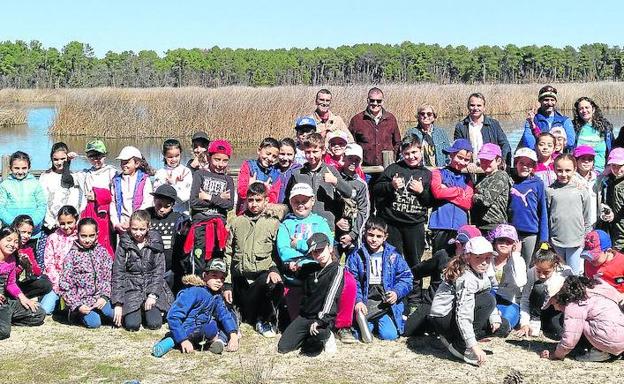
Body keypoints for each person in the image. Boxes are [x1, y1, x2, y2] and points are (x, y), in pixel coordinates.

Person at [429, 236, 510, 366]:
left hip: (458, 313)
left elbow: (486, 294)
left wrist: (494, 317)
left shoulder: (481, 272)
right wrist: (474, 346)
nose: (484, 262)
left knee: (503, 326)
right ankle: (460, 345)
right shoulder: (466, 278)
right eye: (478, 257)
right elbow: (463, 314)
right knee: (487, 300)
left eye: (487, 258)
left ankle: (456, 338)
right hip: (443, 318)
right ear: (467, 257)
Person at [373, 136, 432, 306]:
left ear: (420, 151)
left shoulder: (426, 174)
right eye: (407, 153)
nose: (411, 156)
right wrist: (390, 185)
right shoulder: (393, 169)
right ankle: (395, 297)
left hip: (415, 224)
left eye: (414, 152)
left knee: (415, 262)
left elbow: (431, 201)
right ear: (401, 154)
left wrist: (422, 192)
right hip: (392, 224)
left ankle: (414, 299)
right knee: (392, 260)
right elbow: (377, 190)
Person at [223, 182, 284, 338]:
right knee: (233, 305)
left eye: (258, 200)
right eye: (250, 200)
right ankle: (235, 316)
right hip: (240, 277)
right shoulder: (237, 222)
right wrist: (227, 283)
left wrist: (274, 269)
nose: (254, 204)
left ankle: (264, 319)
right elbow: (228, 253)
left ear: (266, 200)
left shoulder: (274, 223)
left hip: (260, 277)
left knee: (274, 283)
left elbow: (278, 252)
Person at [152, 258, 239, 357]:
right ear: (205, 276)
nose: (218, 281)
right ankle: (172, 340)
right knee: (210, 328)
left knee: (229, 315)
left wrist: (233, 335)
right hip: (188, 330)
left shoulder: (217, 296)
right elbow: (173, 316)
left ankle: (220, 341)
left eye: (222, 278)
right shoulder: (193, 292)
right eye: (214, 276)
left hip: (202, 330)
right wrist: (183, 340)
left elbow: (224, 314)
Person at [403, 225, 480, 337]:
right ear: (457, 244)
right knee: (407, 331)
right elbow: (415, 272)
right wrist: (414, 297)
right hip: (433, 303)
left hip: (459, 306)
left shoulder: (477, 262)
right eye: (461, 245)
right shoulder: (443, 255)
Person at [277, 233, 344, 356]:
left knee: (310, 351)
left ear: (329, 248)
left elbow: (331, 297)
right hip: (305, 316)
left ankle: (327, 335)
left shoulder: (337, 270)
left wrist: (321, 320)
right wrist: (289, 266)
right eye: (315, 252)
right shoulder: (310, 268)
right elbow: (292, 271)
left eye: (321, 250)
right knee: (283, 347)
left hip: (322, 318)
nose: (319, 255)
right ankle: (307, 336)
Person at [346, 217, 413, 341]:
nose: (374, 239)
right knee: (359, 335)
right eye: (371, 235)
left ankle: (382, 318)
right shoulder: (356, 256)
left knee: (389, 336)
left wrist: (396, 293)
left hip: (384, 303)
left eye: (378, 236)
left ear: (385, 237)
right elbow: (352, 281)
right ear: (365, 234)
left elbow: (407, 278)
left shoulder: (394, 256)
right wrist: (358, 301)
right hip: (366, 301)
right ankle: (367, 320)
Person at [277, 182, 332, 321]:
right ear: (290, 202)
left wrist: (299, 245)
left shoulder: (320, 222)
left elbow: (325, 244)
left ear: (312, 201)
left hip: (317, 268)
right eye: (296, 202)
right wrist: (303, 258)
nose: (301, 205)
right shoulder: (285, 225)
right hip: (295, 270)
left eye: (304, 201)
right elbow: (283, 249)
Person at [111, 210, 173, 331]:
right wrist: (118, 303)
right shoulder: (124, 243)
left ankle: (148, 310)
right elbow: (118, 272)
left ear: (148, 227)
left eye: (142, 229)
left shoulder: (155, 242)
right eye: (134, 229)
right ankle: (137, 310)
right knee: (132, 325)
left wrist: (153, 295)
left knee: (154, 324)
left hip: (151, 286)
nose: (138, 233)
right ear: (129, 227)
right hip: (132, 288)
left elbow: (159, 271)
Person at [540, 276, 624, 362]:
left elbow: (570, 339)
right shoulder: (597, 290)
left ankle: (600, 351)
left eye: (553, 303)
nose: (555, 308)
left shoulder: (575, 305)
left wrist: (557, 354)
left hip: (608, 340)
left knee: (575, 325)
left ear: (559, 297)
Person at [283, 133, 353, 233]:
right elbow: (288, 200)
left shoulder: (330, 170)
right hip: (303, 225)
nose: (311, 156)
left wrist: (335, 181)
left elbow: (349, 192)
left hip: (326, 225)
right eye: (308, 152)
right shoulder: (297, 174)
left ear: (323, 150)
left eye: (315, 151)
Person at [187, 139, 234, 274]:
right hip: (200, 227)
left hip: (219, 228)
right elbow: (194, 202)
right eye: (217, 159)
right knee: (199, 262)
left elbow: (229, 205)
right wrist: (220, 199)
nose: (220, 164)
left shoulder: (228, 180)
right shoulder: (199, 174)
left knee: (217, 263)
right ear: (208, 157)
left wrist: (208, 197)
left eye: (224, 161)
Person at [58, 218, 113, 328]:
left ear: (97, 235)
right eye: (83, 236)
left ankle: (101, 312)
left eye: (91, 236)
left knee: (112, 314)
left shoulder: (102, 252)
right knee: (95, 323)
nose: (87, 240)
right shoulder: (72, 256)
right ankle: (76, 314)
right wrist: (77, 305)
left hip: (99, 298)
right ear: (77, 234)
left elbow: (109, 276)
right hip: (82, 301)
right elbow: (65, 285)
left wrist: (104, 296)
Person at [69, 139, 117, 256]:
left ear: (104, 155)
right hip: (88, 212)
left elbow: (115, 196)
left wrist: (97, 195)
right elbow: (66, 180)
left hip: (105, 214)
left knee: (105, 243)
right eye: (92, 156)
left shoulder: (112, 172)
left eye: (99, 156)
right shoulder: (85, 174)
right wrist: (68, 161)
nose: (96, 159)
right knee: (86, 242)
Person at [547, 154, 592, 275]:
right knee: (558, 274)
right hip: (556, 240)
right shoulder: (550, 191)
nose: (563, 174)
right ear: (554, 169)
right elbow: (546, 216)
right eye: (559, 170)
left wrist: (586, 237)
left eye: (567, 170)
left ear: (574, 169)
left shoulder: (581, 190)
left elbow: (587, 216)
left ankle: (576, 294)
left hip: (576, 240)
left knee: (574, 274)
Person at [515, 247, 573, 340]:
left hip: (557, 308)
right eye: (538, 271)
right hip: (538, 307)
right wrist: (524, 323)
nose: (541, 275)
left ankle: (546, 324)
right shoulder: (531, 273)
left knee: (558, 333)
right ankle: (535, 320)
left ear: (555, 265)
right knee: (539, 287)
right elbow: (525, 298)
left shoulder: (565, 272)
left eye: (546, 272)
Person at [429, 139, 474, 254]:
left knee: (458, 259)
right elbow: (437, 192)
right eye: (460, 157)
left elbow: (468, 203)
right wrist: (458, 191)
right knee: (439, 258)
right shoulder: (438, 173)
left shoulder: (467, 179)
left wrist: (448, 191)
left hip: (460, 225)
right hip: (440, 223)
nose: (462, 162)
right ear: (452, 154)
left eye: (466, 160)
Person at [0, 226, 45, 340]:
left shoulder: (12, 259)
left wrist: (24, 299)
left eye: (16, 242)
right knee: (4, 332)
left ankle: (6, 319)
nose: (12, 244)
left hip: (4, 303)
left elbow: (11, 283)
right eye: (8, 240)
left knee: (38, 313)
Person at [509, 148, 548, 266]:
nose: (525, 167)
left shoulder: (538, 184)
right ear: (516, 164)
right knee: (512, 263)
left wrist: (544, 239)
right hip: (512, 232)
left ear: (534, 167)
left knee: (528, 265)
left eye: (529, 164)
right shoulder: (511, 181)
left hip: (531, 232)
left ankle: (528, 285)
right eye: (521, 163)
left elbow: (543, 211)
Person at [146, 185, 189, 291]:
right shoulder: (146, 215)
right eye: (159, 204)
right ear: (154, 200)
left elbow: (183, 251)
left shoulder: (179, 219)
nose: (162, 209)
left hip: (170, 270)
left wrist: (183, 235)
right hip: (148, 269)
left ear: (173, 205)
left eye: (167, 206)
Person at [348, 87, 401, 168]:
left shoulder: (391, 118)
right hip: (364, 168)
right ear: (367, 101)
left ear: (382, 102)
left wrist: (393, 159)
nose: (375, 103)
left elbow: (397, 142)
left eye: (379, 101)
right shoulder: (357, 120)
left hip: (386, 168)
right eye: (372, 100)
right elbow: (351, 144)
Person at [454, 93, 511, 167]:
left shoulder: (494, 124)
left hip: (490, 167)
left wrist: (502, 161)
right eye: (472, 105)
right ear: (468, 107)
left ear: (484, 108)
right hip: (469, 168)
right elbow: (458, 149)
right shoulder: (461, 126)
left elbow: (505, 145)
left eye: (479, 105)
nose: (475, 108)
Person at [41, 205, 79, 315]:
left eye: (70, 222)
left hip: (75, 282)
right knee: (45, 310)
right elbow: (49, 263)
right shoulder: (52, 238)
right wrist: (58, 284)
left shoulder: (80, 237)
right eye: (62, 223)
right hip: (56, 282)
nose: (66, 227)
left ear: (76, 220)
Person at [488, 224, 527, 329]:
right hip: (490, 300)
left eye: (509, 241)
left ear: (514, 244)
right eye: (501, 240)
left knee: (504, 326)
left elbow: (521, 282)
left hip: (510, 303)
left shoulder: (518, 261)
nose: (504, 244)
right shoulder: (487, 260)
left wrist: (516, 255)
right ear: (494, 242)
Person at [110, 146, 154, 235]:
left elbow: (147, 202)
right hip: (122, 225)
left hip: (139, 226)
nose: (123, 165)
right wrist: (116, 223)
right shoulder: (116, 181)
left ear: (137, 164)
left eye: (127, 163)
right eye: (122, 163)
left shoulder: (144, 179)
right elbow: (113, 203)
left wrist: (132, 221)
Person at [38, 142, 80, 236]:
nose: (59, 162)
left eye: (63, 159)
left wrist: (69, 221)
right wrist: (50, 221)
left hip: (68, 225)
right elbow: (43, 200)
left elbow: (74, 201)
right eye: (56, 159)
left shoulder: (74, 177)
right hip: (50, 225)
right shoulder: (45, 177)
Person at [334, 143, 369, 256]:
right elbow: (327, 204)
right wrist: (336, 220)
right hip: (334, 229)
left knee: (353, 267)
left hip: (353, 232)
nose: (353, 162)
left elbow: (364, 211)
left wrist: (353, 234)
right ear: (344, 157)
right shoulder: (334, 179)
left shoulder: (361, 184)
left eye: (357, 159)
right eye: (350, 158)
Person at [519, 85, 575, 152]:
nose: (549, 103)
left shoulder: (565, 120)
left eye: (552, 100)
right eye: (546, 100)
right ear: (540, 101)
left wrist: (553, 149)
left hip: (559, 157)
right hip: (539, 156)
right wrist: (545, 151)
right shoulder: (532, 120)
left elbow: (570, 142)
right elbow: (529, 142)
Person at [0, 151, 46, 233]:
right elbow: (1, 207)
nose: (20, 172)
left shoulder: (35, 184)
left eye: (24, 168)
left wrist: (32, 223)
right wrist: (14, 223)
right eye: (16, 168)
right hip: (12, 231)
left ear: (29, 167)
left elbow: (42, 206)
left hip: (32, 232)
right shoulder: (5, 185)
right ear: (10, 167)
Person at [471, 143, 512, 233]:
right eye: (482, 160)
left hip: (495, 225)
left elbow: (486, 200)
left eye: (488, 160)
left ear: (498, 161)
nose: (485, 163)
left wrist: (471, 196)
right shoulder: (483, 178)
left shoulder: (501, 175)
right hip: (481, 225)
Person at [11, 215, 52, 301]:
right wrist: (18, 264)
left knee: (46, 283)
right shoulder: (8, 246)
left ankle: (20, 298)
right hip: (7, 283)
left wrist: (29, 265)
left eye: (29, 233)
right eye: (23, 232)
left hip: (16, 283)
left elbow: (37, 272)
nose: (26, 236)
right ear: (15, 229)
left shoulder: (27, 249)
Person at [236, 137, 280, 215]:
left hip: (264, 214)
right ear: (259, 150)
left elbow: (273, 200)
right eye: (268, 154)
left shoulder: (275, 174)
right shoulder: (248, 166)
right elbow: (241, 193)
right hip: (244, 212)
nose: (270, 158)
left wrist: (265, 189)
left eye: (274, 156)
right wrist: (250, 186)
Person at [573, 96, 613, 173]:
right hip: (578, 172)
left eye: (587, 107)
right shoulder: (573, 127)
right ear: (578, 111)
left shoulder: (605, 127)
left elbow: (612, 149)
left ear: (593, 109)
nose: (584, 110)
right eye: (581, 108)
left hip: (601, 171)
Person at [153, 138, 193, 215]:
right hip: (164, 215)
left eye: (177, 156)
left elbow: (184, 198)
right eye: (170, 157)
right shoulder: (160, 173)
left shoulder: (186, 171)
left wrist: (173, 185)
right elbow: (156, 197)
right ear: (164, 155)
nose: (174, 159)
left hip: (181, 215)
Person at [573, 145, 600, 227]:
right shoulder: (571, 178)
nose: (586, 162)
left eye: (590, 159)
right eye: (583, 159)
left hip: (594, 222)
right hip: (577, 223)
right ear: (576, 161)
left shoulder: (597, 178)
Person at [270, 137, 302, 204]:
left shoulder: (299, 171)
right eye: (282, 154)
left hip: (292, 208)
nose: (285, 158)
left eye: (289, 154)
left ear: (294, 154)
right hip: (273, 207)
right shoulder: (271, 170)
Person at [603, 148, 624, 250]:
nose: (617, 169)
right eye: (613, 166)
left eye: (620, 166)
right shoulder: (610, 181)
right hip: (616, 231)